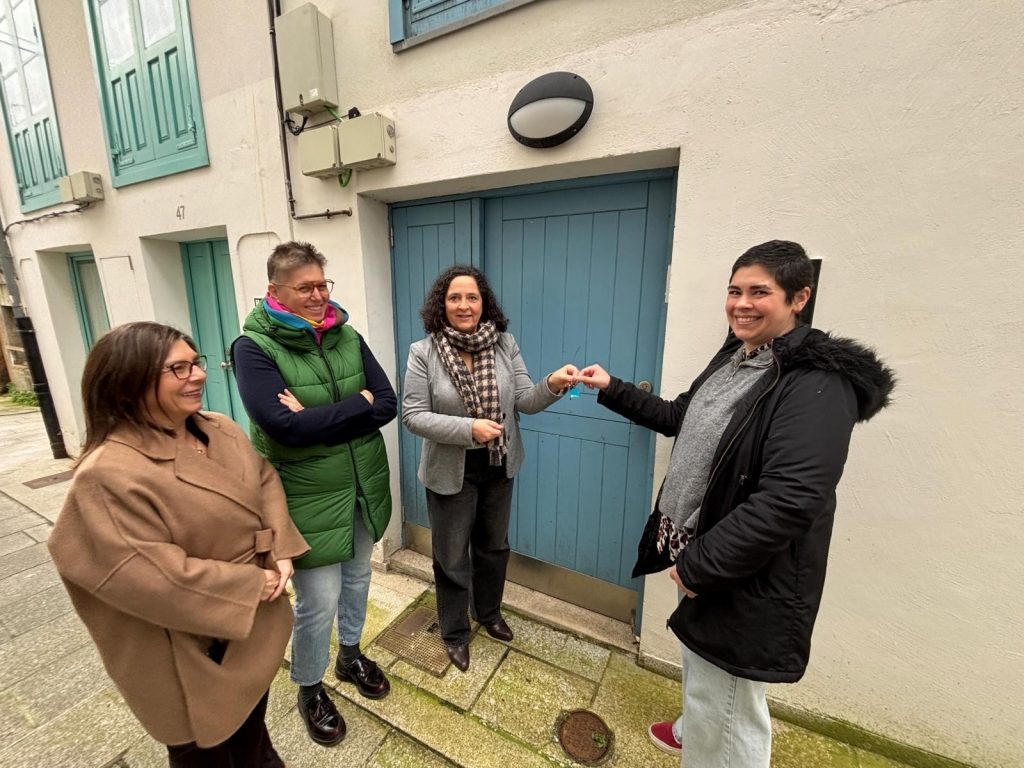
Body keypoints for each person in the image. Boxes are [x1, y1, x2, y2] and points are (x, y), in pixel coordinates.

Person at [576, 240, 895, 766]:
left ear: (799, 298)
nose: (741, 303)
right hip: (700, 554)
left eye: (759, 292)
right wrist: (613, 388)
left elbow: (790, 499)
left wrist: (700, 566)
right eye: (734, 291)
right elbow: (682, 416)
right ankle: (696, 727)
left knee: (731, 705)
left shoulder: (815, 383)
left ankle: (713, 742)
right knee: (709, 675)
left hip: (739, 569)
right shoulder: (737, 357)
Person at [47, 321, 308, 767]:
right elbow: (148, 578)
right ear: (130, 382)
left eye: (196, 363)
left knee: (253, 740)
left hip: (248, 630)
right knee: (207, 752)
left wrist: (281, 545)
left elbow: (263, 479)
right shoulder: (107, 474)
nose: (200, 375)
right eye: (178, 368)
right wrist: (250, 584)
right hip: (190, 653)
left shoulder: (218, 428)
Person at [232, 241, 397, 748]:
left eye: (323, 284)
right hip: (305, 497)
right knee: (317, 601)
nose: (318, 295)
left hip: (361, 488)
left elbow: (386, 401)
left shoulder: (348, 335)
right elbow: (283, 429)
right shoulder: (253, 348)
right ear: (275, 291)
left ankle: (350, 656)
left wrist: (317, 416)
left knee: (358, 582)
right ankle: (309, 686)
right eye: (305, 287)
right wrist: (354, 405)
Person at [402, 264, 577, 672]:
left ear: (485, 303)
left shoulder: (505, 344)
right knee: (451, 556)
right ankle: (454, 631)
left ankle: (488, 612)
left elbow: (525, 401)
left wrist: (553, 382)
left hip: (499, 465)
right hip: (451, 470)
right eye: (455, 297)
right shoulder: (422, 352)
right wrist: (468, 428)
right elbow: (412, 415)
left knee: (493, 547)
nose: (464, 305)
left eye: (472, 297)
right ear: (441, 304)